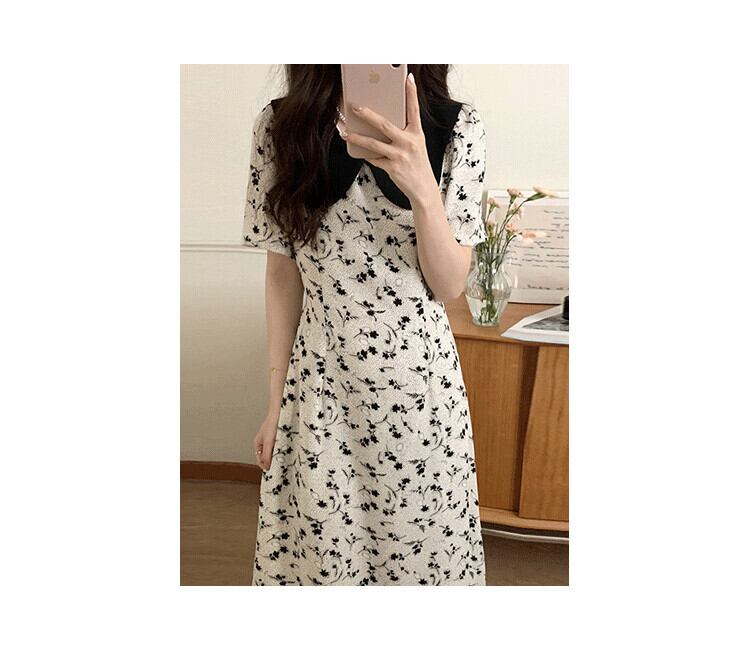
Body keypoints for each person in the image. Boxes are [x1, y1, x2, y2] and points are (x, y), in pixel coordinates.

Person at [242, 64, 487, 585]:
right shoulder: (282, 126)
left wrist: (423, 190)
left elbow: (448, 285)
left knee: (418, 559)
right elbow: (282, 274)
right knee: (323, 559)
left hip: (419, 398)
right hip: (320, 391)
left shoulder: (455, 127)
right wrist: (274, 403)